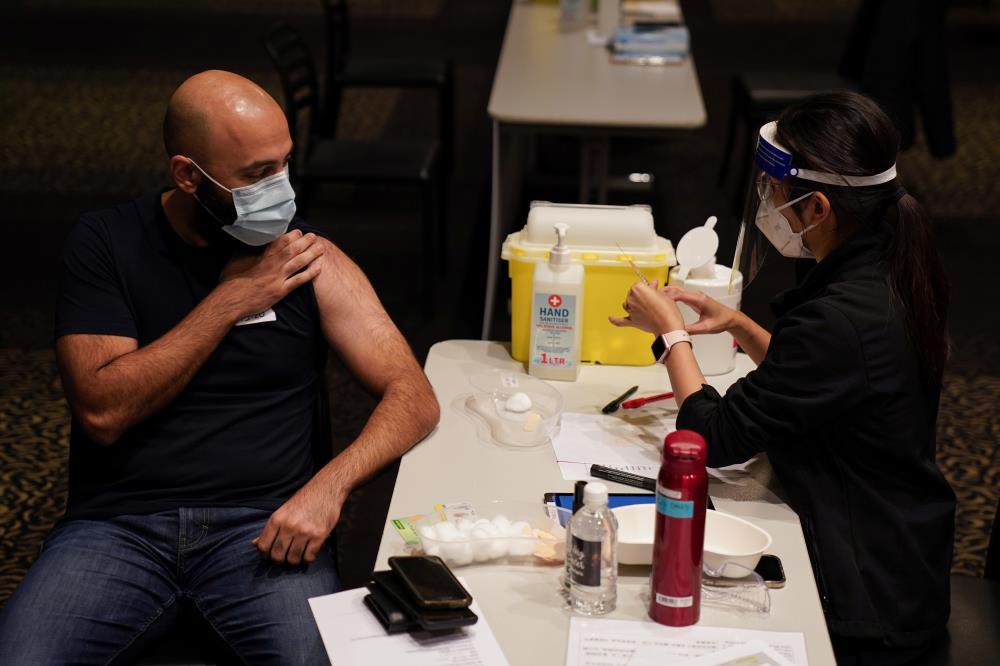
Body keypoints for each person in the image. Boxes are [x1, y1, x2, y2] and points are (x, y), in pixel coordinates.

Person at [0, 70, 440, 664]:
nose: (280, 189)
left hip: (263, 530)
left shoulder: (307, 256)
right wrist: (231, 300)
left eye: (284, 164)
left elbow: (413, 394)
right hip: (118, 529)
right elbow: (103, 409)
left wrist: (327, 489)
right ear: (187, 175)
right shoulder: (106, 243)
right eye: (257, 175)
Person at [610, 92, 954, 665]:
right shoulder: (887, 261)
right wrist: (741, 325)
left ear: (817, 208)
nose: (767, 205)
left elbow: (710, 439)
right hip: (892, 536)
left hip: (869, 589)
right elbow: (824, 380)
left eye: (774, 195)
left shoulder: (844, 316)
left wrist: (672, 335)